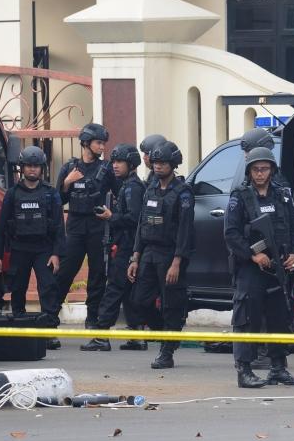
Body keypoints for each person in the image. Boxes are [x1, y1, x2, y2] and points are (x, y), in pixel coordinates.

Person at [224, 147, 294, 388]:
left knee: (279, 317)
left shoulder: (282, 196)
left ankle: (278, 368)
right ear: (249, 171)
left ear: (272, 170)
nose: (260, 174)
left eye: (264, 169)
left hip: (278, 266)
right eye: (256, 169)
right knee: (247, 318)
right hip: (251, 269)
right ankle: (245, 370)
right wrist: (252, 255)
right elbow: (231, 234)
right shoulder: (240, 196)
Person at [127, 141, 194, 369]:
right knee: (139, 301)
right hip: (149, 253)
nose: (158, 166)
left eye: (163, 163)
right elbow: (141, 224)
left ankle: (167, 352)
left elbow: (185, 230)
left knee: (171, 304)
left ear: (173, 164)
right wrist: (135, 257)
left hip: (170, 254)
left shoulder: (183, 193)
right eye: (155, 162)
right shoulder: (150, 189)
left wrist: (177, 262)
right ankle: (165, 332)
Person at [52, 123, 117, 349]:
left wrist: (112, 215)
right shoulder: (70, 166)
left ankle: (93, 324)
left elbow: (119, 195)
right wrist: (67, 183)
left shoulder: (106, 169)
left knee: (97, 276)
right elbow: (57, 201)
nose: (102, 147)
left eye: (103, 144)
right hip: (75, 226)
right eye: (99, 143)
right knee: (64, 273)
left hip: (97, 226)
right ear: (86, 143)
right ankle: (50, 323)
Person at [81, 143, 147, 351]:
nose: (115, 166)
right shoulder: (127, 185)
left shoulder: (132, 188)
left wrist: (112, 217)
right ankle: (136, 335)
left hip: (127, 245)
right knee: (127, 291)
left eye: (119, 162)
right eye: (114, 162)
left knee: (114, 289)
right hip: (125, 244)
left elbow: (135, 219)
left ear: (131, 164)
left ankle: (101, 335)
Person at [0, 146, 64, 324]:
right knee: (17, 288)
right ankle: (19, 329)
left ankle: (49, 331)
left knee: (48, 288)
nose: (32, 169)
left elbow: (59, 226)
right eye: (29, 165)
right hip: (19, 248)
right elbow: (1, 227)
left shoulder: (50, 193)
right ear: (22, 167)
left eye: (36, 165)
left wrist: (56, 254)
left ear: (42, 168)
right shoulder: (12, 194)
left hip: (44, 250)